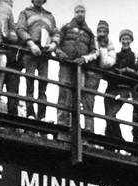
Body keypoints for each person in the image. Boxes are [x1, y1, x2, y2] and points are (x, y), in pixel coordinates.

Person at [55, 4, 97, 133]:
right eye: (77, 11)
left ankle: (75, 125)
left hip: (80, 67)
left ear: (85, 14)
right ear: (74, 13)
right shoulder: (66, 27)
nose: (80, 14)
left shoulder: (89, 32)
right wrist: (59, 53)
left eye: (82, 11)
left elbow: (94, 51)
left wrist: (84, 59)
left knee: (77, 95)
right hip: (66, 65)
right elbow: (56, 42)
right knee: (64, 90)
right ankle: (62, 122)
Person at [16, 0, 59, 121]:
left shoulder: (49, 16)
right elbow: (20, 29)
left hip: (45, 53)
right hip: (30, 51)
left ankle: (42, 116)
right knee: (30, 83)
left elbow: (56, 32)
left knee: (43, 84)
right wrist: (31, 44)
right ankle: (30, 113)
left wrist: (54, 44)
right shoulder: (25, 13)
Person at [102, 28, 138, 142]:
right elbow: (107, 68)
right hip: (110, 88)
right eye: (123, 39)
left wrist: (127, 70)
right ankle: (109, 144)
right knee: (107, 116)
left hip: (124, 89)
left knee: (110, 115)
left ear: (131, 40)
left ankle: (119, 141)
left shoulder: (136, 56)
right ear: (120, 40)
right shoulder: (115, 55)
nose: (125, 41)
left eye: (128, 39)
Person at [82, 19, 115, 135]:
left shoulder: (109, 44)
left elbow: (105, 63)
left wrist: (103, 49)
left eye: (104, 31)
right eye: (99, 30)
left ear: (107, 32)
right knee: (76, 97)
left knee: (88, 100)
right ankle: (73, 125)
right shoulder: (92, 39)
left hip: (95, 75)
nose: (101, 33)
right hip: (84, 71)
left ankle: (89, 129)